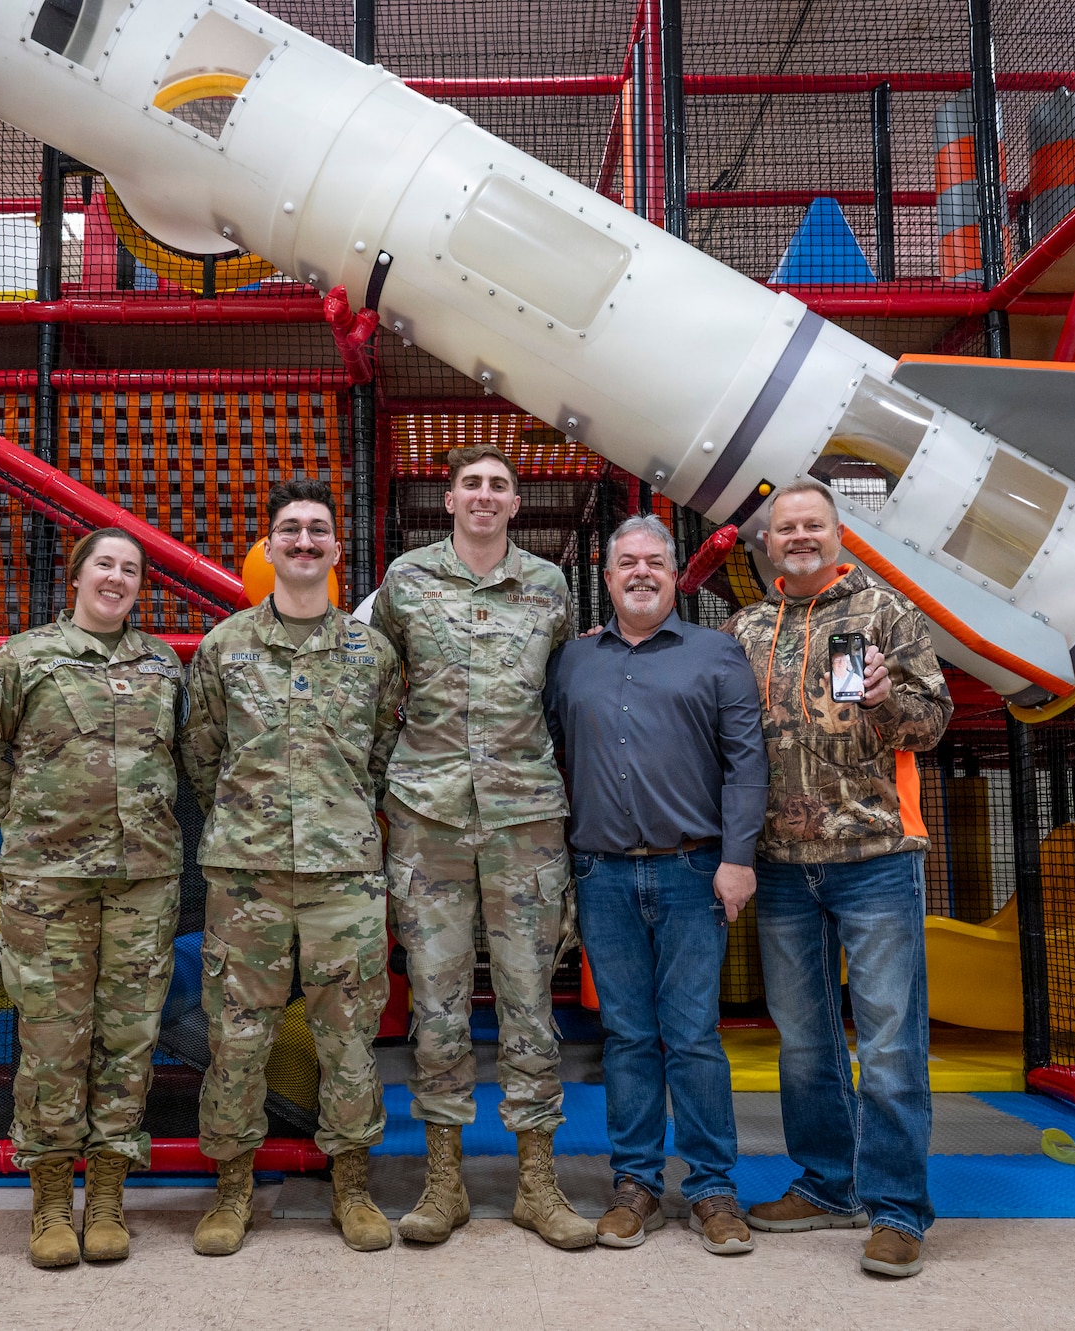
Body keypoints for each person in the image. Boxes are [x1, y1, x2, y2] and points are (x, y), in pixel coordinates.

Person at [722, 479, 952, 1279]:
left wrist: (888, 699)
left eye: (812, 524)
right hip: (782, 866)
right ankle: (828, 1184)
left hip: (877, 858)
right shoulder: (747, 627)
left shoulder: (885, 612)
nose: (799, 536)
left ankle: (897, 1210)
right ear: (769, 540)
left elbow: (934, 722)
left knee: (890, 1043)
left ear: (837, 530)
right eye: (786, 527)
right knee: (805, 1043)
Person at [371, 444, 593, 1250]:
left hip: (524, 821)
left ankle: (538, 1181)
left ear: (516, 502)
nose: (486, 495)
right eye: (472, 483)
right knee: (435, 1002)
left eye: (500, 484)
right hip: (428, 819)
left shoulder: (549, 587)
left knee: (532, 1002)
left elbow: (560, 691)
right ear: (449, 497)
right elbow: (378, 685)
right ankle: (443, 1180)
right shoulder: (405, 582)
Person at [178, 477, 404, 1256]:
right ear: (268, 548)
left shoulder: (372, 653)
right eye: (290, 531)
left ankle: (352, 1186)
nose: (304, 542)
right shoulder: (224, 647)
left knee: (349, 1037)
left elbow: (378, 754)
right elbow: (202, 756)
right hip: (248, 877)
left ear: (337, 551)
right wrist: (252, 823)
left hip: (344, 874)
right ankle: (232, 1189)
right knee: (238, 1037)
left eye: (317, 531)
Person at [0, 527, 188, 1269]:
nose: (117, 577)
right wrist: (21, 821)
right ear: (78, 577)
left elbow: (184, 751)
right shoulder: (23, 659)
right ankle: (52, 1201)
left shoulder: (164, 663)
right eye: (105, 565)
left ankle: (109, 1195)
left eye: (130, 569)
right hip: (47, 883)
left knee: (128, 1039)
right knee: (54, 1038)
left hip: (143, 880)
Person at [545, 514, 768, 1256]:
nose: (641, 572)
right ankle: (635, 1183)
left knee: (694, 1036)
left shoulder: (718, 653)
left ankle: (712, 1189)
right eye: (626, 562)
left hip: (693, 871)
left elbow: (746, 764)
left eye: (655, 562)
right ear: (606, 578)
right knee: (629, 1036)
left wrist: (738, 858)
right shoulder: (572, 661)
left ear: (675, 576)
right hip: (601, 874)